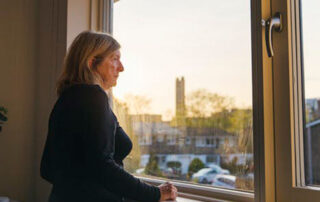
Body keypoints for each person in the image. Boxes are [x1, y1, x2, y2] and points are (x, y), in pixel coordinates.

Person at [40, 31, 178, 202]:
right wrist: (154, 194)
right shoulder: (93, 97)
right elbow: (102, 166)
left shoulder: (66, 99)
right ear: (92, 63)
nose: (121, 67)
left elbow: (46, 169)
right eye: (114, 58)